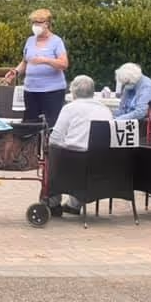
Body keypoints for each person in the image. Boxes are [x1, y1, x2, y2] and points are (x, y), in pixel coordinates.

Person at [49, 75, 114, 215]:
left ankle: (52, 203)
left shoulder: (70, 108)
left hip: (74, 162)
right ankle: (75, 204)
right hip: (102, 163)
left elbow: (55, 137)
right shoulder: (105, 109)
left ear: (73, 92)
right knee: (79, 152)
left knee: (52, 152)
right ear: (93, 91)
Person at [5, 8, 68, 127]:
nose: (35, 26)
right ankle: (32, 145)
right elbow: (25, 61)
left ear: (47, 24)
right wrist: (16, 71)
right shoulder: (29, 41)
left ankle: (49, 145)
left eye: (38, 23)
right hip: (31, 90)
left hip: (52, 91)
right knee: (30, 124)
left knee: (51, 124)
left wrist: (46, 60)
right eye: (33, 23)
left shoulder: (56, 41)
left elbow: (64, 64)